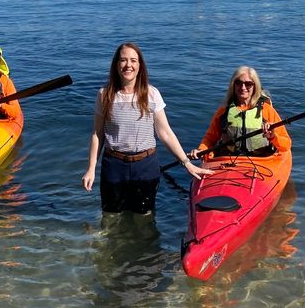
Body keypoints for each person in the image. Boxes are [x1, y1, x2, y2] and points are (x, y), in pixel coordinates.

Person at [82, 42, 212, 214]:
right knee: (110, 216)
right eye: (123, 60)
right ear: (116, 65)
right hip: (113, 166)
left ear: (140, 65)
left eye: (133, 61)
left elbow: (165, 133)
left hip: (145, 166)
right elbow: (98, 134)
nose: (128, 65)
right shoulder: (104, 95)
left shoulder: (151, 94)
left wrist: (187, 163)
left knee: (144, 217)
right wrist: (91, 169)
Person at [189, 66, 291, 160]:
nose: (243, 87)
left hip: (261, 159)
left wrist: (272, 136)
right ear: (233, 85)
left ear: (255, 86)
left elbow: (286, 145)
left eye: (248, 84)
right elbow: (210, 138)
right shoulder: (224, 110)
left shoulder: (267, 110)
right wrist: (201, 150)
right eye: (238, 83)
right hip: (229, 159)